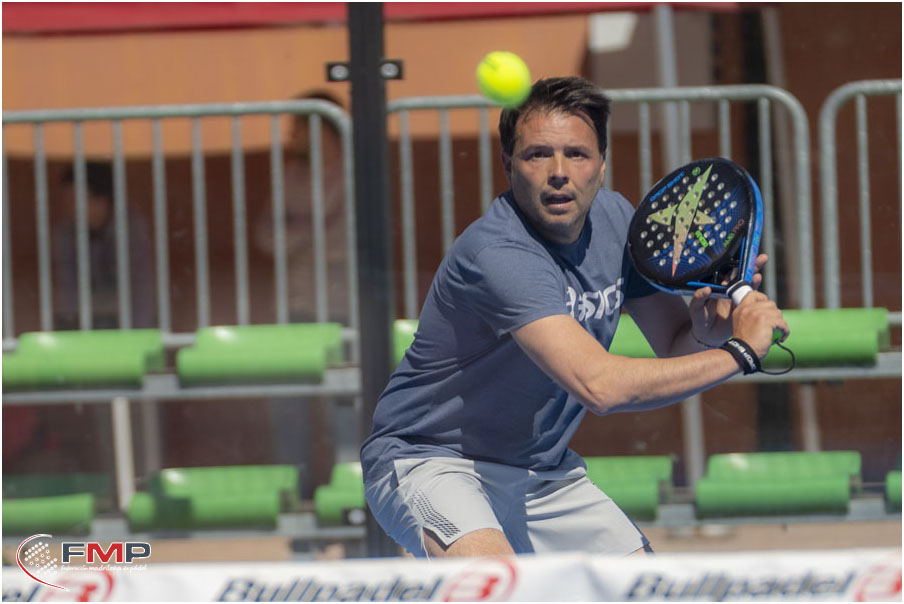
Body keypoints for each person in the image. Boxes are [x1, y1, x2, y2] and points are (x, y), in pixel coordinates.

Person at [360, 77, 788, 558]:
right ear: (508, 165)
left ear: (602, 165)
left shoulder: (616, 220)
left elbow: (674, 341)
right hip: (431, 461)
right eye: (538, 155)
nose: (559, 172)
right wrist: (739, 352)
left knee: (645, 588)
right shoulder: (498, 253)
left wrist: (710, 333)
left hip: (542, 472)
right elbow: (599, 386)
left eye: (577, 154)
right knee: (499, 587)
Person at [52, 161, 155, 330]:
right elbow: (67, 291)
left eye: (73, 200)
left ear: (101, 200)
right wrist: (72, 331)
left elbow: (142, 290)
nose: (68, 207)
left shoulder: (131, 228)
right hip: (86, 320)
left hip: (129, 319)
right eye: (66, 200)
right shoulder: (64, 234)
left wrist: (136, 335)